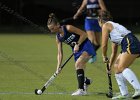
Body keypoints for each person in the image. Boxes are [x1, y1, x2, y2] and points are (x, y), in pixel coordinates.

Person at [47, 13, 96, 96]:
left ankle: (81, 90)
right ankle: (86, 81)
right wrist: (58, 66)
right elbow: (59, 53)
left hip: (85, 45)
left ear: (58, 24)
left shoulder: (68, 28)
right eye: (50, 29)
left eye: (52, 28)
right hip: (77, 51)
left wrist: (78, 44)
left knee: (78, 64)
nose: (52, 31)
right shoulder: (58, 37)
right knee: (79, 67)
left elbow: (84, 34)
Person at [98, 11, 140, 99]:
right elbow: (114, 52)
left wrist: (104, 56)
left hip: (130, 42)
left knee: (121, 67)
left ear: (100, 20)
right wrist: (109, 66)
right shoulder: (113, 31)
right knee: (116, 67)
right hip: (127, 43)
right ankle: (124, 94)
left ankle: (138, 89)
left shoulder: (105, 25)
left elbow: (104, 44)